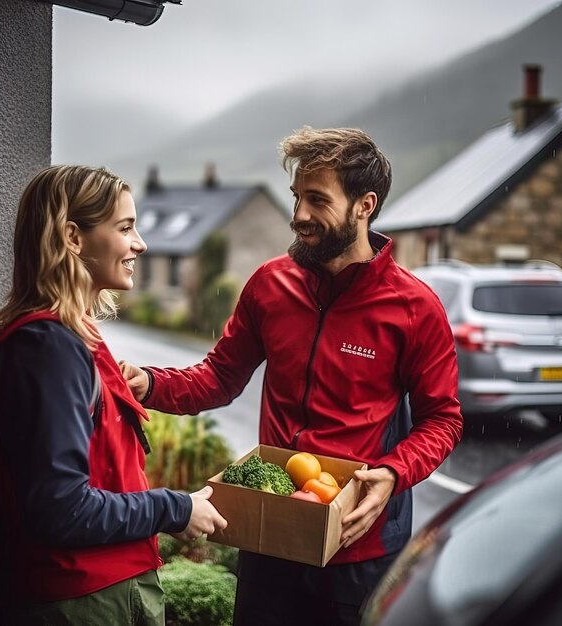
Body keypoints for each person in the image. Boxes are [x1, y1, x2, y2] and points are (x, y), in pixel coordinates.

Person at [121, 127, 463, 626]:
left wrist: (394, 472)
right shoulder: (269, 284)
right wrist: (147, 384)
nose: (299, 215)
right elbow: (218, 377)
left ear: (365, 205)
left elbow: (443, 419)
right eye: (297, 197)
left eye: (317, 200)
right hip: (272, 530)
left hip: (357, 546)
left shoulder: (415, 308)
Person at [0, 165, 227, 625]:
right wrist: (176, 508)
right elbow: (62, 508)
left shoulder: (66, 339)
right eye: (125, 228)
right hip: (83, 602)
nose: (141, 244)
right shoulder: (50, 347)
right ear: (73, 237)